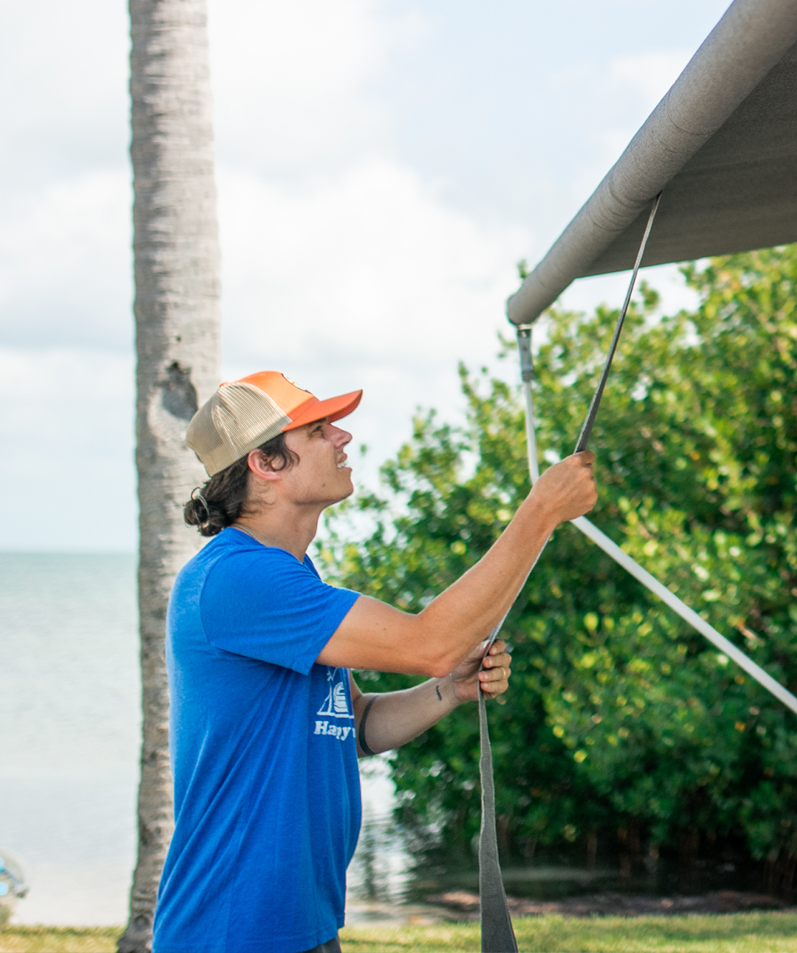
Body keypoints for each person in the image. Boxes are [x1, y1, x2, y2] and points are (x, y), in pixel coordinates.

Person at [152, 371, 596, 953]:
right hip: (232, 932)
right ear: (265, 463)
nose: (344, 438)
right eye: (318, 431)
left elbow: (353, 725)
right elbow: (428, 643)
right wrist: (540, 513)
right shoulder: (239, 578)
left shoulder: (288, 576)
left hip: (300, 928)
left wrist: (449, 691)